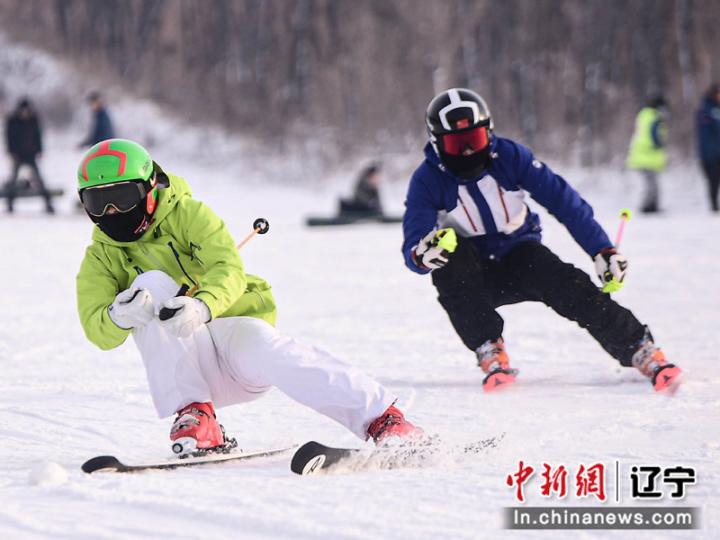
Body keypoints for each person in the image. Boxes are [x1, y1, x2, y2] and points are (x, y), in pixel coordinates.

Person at [76, 138, 422, 455]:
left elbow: (228, 267)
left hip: (234, 340)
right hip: (188, 367)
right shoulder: (101, 256)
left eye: (121, 198)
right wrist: (118, 317)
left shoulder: (188, 215)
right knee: (149, 286)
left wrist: (202, 305)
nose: (111, 212)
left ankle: (383, 419)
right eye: (96, 201)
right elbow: (95, 327)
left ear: (150, 189)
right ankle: (196, 416)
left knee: (275, 353)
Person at [402, 88, 681, 393]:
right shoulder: (427, 179)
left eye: (475, 139)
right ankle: (489, 348)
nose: (469, 151)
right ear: (437, 142)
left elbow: (564, 202)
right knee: (450, 258)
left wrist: (602, 250)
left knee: (568, 283)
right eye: (458, 143)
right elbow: (414, 240)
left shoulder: (509, 157)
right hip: (473, 273)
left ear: (488, 132)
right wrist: (422, 254)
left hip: (519, 254)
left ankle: (638, 347)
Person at [4, 97, 54, 214]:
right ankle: (10, 204)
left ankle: (48, 204)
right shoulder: (13, 120)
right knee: (13, 180)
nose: (25, 113)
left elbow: (38, 136)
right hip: (18, 155)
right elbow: (9, 138)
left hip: (31, 154)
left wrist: (40, 150)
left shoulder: (33, 119)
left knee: (39, 179)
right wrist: (11, 152)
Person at [625, 95, 668, 213]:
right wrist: (659, 143)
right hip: (647, 157)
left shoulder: (644, 115)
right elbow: (655, 136)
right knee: (651, 185)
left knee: (650, 184)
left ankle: (651, 206)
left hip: (641, 156)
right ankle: (648, 207)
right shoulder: (654, 117)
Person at [696, 83, 720, 212]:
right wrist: (705, 155)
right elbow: (704, 136)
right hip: (710, 154)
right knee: (713, 181)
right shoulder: (705, 110)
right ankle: (714, 205)